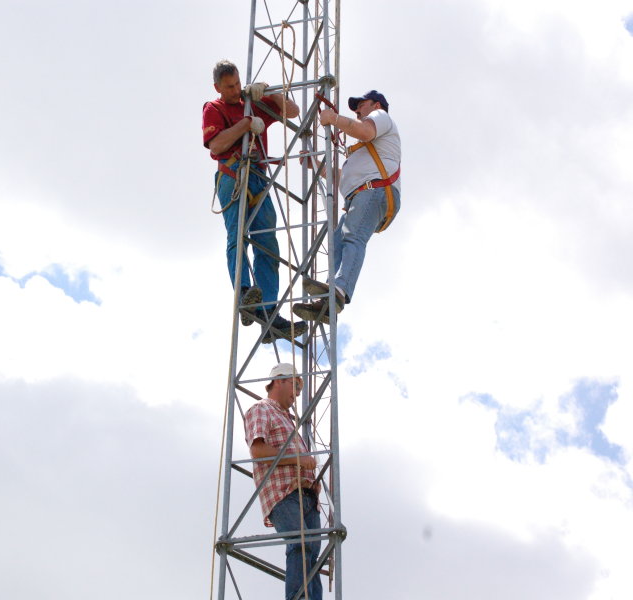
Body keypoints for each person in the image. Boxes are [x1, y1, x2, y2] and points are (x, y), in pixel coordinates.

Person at [203, 60, 307, 343]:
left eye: (237, 83)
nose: (235, 90)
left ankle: (268, 312)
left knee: (268, 243)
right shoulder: (214, 108)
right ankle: (245, 294)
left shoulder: (251, 101)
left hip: (258, 179)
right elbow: (217, 145)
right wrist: (247, 124)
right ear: (217, 87)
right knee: (238, 236)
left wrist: (270, 93)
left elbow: (293, 112)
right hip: (233, 174)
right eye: (229, 87)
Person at [293, 90, 401, 324]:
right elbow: (344, 176)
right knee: (337, 242)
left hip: (374, 190)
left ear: (376, 105)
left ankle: (339, 290)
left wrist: (334, 119)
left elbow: (364, 131)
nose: (358, 111)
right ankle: (329, 297)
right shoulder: (368, 148)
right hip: (364, 192)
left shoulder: (380, 117)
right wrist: (316, 165)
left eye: (362, 105)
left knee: (352, 237)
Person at [244, 363, 322, 600]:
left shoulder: (287, 419)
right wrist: (299, 459)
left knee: (311, 556)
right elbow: (258, 451)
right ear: (280, 380)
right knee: (300, 545)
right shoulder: (261, 409)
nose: (297, 394)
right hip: (283, 493)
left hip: (305, 494)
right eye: (295, 385)